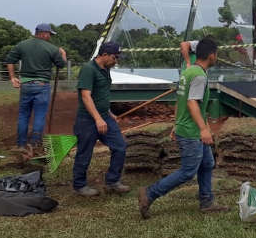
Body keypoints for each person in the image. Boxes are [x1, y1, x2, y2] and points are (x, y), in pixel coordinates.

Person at [139, 37, 228, 218]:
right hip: (191, 132)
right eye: (216, 54)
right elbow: (191, 103)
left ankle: (206, 201)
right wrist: (204, 130)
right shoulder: (199, 76)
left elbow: (180, 101)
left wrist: (175, 123)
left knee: (207, 163)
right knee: (188, 171)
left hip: (186, 126)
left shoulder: (188, 72)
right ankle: (149, 194)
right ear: (211, 55)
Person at [72, 41, 129, 197]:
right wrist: (97, 119)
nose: (116, 61)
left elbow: (101, 94)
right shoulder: (88, 70)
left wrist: (108, 112)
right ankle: (79, 185)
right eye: (115, 57)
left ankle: (112, 181)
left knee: (120, 146)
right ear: (104, 55)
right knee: (85, 153)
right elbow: (86, 95)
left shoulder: (106, 69)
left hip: (104, 117)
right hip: (87, 119)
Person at [4, 23, 67, 152]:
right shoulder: (52, 48)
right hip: (42, 85)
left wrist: (12, 77)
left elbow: (9, 60)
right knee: (39, 115)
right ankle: (34, 145)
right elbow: (61, 65)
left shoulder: (22, 45)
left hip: (26, 85)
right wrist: (63, 54)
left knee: (23, 115)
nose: (50, 36)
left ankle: (21, 145)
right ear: (43, 33)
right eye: (49, 34)